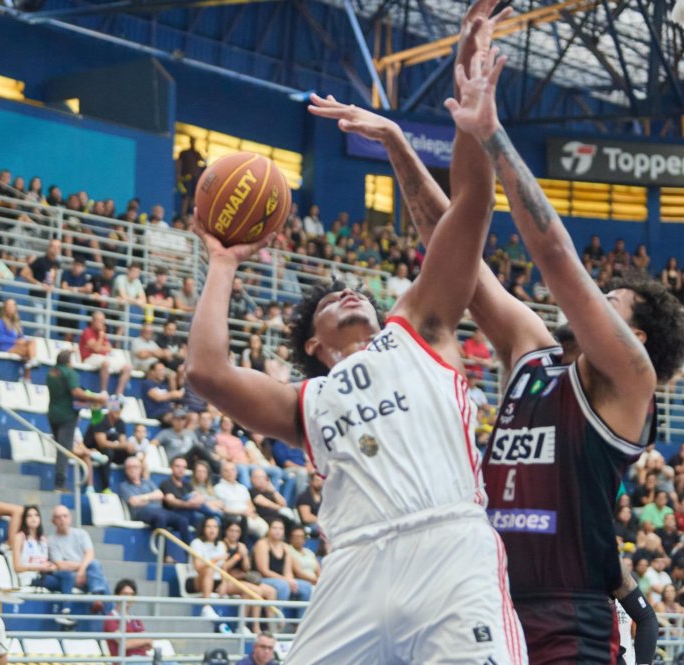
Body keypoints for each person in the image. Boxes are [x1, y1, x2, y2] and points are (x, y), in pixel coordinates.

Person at [307, 5, 684, 662]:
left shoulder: (631, 381)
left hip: (571, 621)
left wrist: (492, 137)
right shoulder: (532, 351)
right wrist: (400, 141)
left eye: (611, 299)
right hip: (482, 597)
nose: (593, 298)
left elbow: (557, 256)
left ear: (639, 337)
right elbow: (452, 250)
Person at [193, 16, 524, 664]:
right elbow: (206, 372)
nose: (348, 294)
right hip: (355, 565)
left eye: (356, 293)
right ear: (314, 344)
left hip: (450, 548)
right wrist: (222, 264)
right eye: (328, 301)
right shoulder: (307, 401)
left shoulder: (419, 326)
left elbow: (471, 208)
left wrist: (465, 121)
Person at [47, 350, 107, 491]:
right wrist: (97, 398)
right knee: (64, 450)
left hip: (53, 413)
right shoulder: (70, 373)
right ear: (69, 361)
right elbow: (76, 392)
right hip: (67, 416)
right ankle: (60, 484)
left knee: (60, 449)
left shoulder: (51, 373)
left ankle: (60, 482)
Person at [11, 506, 76, 627]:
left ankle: (65, 611)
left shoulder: (43, 539)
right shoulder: (20, 537)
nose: (33, 518)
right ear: (24, 519)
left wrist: (50, 566)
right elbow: (17, 567)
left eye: (36, 515)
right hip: (30, 576)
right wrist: (38, 567)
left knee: (68, 575)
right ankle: (65, 611)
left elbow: (45, 561)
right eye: (29, 516)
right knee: (66, 582)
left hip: (45, 574)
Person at [116, 456, 191, 544]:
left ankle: (189, 554)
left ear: (140, 469)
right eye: (129, 467)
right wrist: (152, 497)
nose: (133, 470)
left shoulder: (147, 482)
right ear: (125, 470)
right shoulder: (123, 486)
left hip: (160, 510)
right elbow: (133, 502)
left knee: (183, 520)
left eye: (135, 467)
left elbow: (160, 495)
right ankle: (164, 555)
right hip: (141, 512)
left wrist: (143, 498)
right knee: (161, 518)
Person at [48, 505, 109, 600]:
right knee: (99, 578)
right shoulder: (51, 540)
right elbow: (60, 565)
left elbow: (90, 555)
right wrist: (83, 568)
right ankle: (100, 601)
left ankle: (98, 597)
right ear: (53, 521)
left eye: (65, 516)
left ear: (70, 518)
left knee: (95, 565)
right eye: (58, 517)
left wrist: (81, 572)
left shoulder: (82, 534)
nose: (62, 519)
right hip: (69, 576)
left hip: (86, 573)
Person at [252, 518, 313, 603]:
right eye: (274, 528)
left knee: (306, 586)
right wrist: (285, 580)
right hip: (263, 578)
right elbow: (264, 570)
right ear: (268, 530)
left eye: (281, 528)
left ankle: (302, 616)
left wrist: (291, 581)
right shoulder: (262, 544)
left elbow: (287, 571)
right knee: (283, 586)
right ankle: (277, 615)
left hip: (281, 579)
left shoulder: (285, 547)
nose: (278, 531)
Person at [83, 400, 137, 492]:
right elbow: (102, 443)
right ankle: (105, 487)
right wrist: (122, 445)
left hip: (110, 448)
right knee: (108, 454)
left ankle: (135, 484)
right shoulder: (100, 420)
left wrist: (128, 447)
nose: (118, 412)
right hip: (93, 449)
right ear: (109, 409)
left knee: (131, 455)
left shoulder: (120, 422)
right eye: (115, 409)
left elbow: (123, 442)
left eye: (119, 409)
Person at [79, 310, 132, 396]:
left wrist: (100, 347)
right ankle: (104, 392)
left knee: (127, 367)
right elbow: (96, 349)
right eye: (99, 321)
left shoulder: (102, 333)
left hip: (103, 357)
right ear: (93, 321)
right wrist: (100, 337)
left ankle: (118, 394)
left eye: (102, 321)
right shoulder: (87, 332)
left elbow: (109, 348)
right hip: (89, 358)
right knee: (105, 363)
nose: (101, 323)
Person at [103, 579, 152, 660]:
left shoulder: (136, 619)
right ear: (116, 595)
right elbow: (124, 644)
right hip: (126, 661)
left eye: (132, 594)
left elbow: (150, 644)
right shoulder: (110, 618)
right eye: (125, 594)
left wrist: (139, 641)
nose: (129, 598)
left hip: (144, 659)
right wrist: (143, 641)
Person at [0, 299, 37, 381]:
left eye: (13, 306)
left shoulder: (17, 323)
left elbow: (21, 337)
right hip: (7, 347)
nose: (11, 308)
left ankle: (30, 364)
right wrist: (15, 341)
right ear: (4, 308)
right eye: (9, 306)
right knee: (28, 352)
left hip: (18, 346)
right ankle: (27, 376)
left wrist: (25, 341)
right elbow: (0, 338)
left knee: (32, 342)